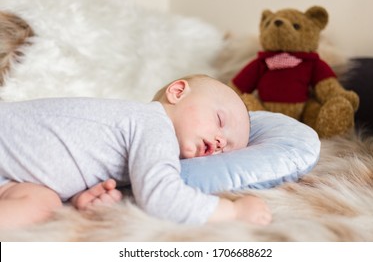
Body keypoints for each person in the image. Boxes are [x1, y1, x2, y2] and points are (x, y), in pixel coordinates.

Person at [0, 74, 272, 229]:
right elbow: (161, 197)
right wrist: (232, 211)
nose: (222, 141)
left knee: (42, 205)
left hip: (14, 171)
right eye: (220, 121)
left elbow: (69, 158)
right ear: (177, 92)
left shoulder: (140, 142)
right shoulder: (154, 124)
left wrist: (82, 197)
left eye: (229, 147)